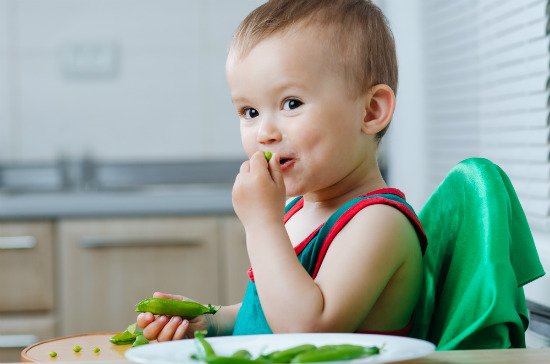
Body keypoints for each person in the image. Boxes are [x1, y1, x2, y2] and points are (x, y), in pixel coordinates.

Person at [137, 0, 427, 340]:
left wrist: (261, 223)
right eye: (249, 112)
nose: (264, 133)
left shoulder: (379, 223)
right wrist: (211, 320)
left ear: (370, 112)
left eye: (291, 104)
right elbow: (268, 311)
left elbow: (305, 327)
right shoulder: (298, 211)